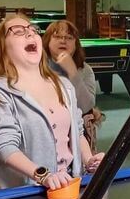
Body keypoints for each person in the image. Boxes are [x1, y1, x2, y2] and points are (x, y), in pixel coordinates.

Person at [0, 14, 104, 190]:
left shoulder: (63, 85)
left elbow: (77, 131)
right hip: (25, 194)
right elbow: (5, 146)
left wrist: (89, 160)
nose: (30, 34)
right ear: (2, 47)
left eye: (33, 30)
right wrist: (43, 175)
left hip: (67, 187)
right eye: (18, 31)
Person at [42, 20, 104, 153]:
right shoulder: (37, 68)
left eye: (69, 38)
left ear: (75, 44)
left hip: (77, 133)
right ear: (47, 41)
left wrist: (72, 73)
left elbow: (87, 106)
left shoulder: (85, 70)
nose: (63, 41)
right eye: (57, 36)